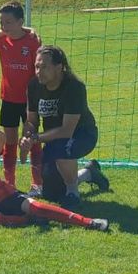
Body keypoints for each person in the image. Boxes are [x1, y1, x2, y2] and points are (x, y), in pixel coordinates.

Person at [0, 115, 108, 231]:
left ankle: (88, 222)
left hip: (9, 197)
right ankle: (25, 219)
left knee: (39, 208)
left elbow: (3, 137)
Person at [24, 45, 108, 205]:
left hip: (82, 134)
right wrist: (27, 136)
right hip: (54, 139)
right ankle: (90, 172)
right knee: (52, 194)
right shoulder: (34, 86)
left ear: (59, 67)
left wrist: (36, 138)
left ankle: (73, 194)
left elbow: (67, 130)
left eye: (44, 67)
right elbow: (31, 121)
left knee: (62, 148)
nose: (38, 71)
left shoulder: (74, 87)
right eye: (36, 67)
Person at [0, 1, 41, 187]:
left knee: (32, 140)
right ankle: (10, 184)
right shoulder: (1, 40)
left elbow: (39, 72)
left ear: (20, 21)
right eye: (1, 22)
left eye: (8, 22)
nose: (3, 26)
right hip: (8, 99)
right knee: (9, 142)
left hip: (29, 101)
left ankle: (36, 184)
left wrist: (28, 29)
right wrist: (5, 31)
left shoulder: (33, 41)